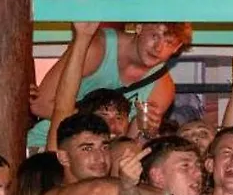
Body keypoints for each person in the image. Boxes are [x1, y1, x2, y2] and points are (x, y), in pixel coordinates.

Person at [32, 21, 190, 127]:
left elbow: (131, 142)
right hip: (47, 144)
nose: (158, 48)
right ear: (139, 27)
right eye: (155, 36)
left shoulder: (162, 88)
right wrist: (96, 122)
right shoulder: (96, 48)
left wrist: (146, 130)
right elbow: (40, 105)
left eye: (169, 42)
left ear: (177, 48)